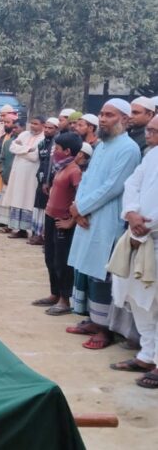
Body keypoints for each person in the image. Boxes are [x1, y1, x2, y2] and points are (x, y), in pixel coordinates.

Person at [66, 99, 141, 349]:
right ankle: (92, 319)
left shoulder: (129, 149)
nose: (103, 119)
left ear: (125, 119)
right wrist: (77, 207)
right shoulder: (101, 145)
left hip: (107, 218)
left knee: (102, 273)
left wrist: (82, 208)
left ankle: (104, 329)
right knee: (86, 269)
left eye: (110, 115)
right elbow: (87, 179)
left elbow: (113, 187)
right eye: (101, 114)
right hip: (87, 215)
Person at [109, 115, 158, 388]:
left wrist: (145, 224)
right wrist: (130, 213)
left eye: (154, 130)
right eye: (148, 129)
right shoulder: (151, 156)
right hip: (138, 236)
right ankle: (147, 355)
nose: (148, 134)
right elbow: (132, 185)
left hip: (152, 235)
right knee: (140, 299)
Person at [31, 133, 83, 315]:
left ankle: (64, 299)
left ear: (67, 151)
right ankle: (54, 293)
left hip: (62, 220)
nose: (54, 151)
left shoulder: (74, 171)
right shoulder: (61, 167)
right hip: (51, 217)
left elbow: (80, 197)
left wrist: (71, 220)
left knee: (62, 261)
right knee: (50, 258)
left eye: (58, 148)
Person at [1, 116, 45, 239]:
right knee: (17, 198)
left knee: (28, 200)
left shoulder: (43, 138)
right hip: (18, 174)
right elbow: (12, 148)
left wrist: (20, 150)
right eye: (32, 123)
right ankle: (19, 229)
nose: (33, 126)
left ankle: (26, 229)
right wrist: (28, 149)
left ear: (43, 125)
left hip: (31, 176)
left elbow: (35, 157)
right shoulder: (24, 134)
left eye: (36, 123)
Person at [29, 117, 59, 245]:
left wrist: (48, 181)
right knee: (38, 206)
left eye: (50, 128)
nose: (47, 130)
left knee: (45, 207)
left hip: (50, 181)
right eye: (46, 127)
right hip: (41, 179)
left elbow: (52, 164)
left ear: (56, 130)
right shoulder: (42, 143)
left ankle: (42, 235)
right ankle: (36, 233)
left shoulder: (56, 144)